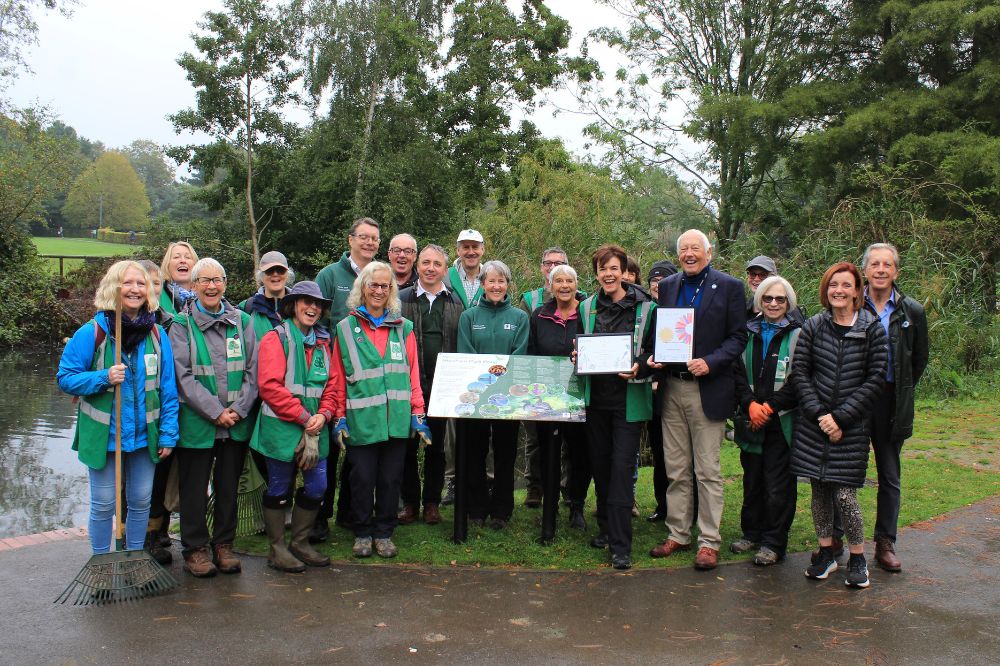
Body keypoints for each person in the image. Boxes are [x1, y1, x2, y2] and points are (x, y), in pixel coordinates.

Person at [57, 260, 179, 556]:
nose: (135, 289)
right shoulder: (93, 332)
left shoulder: (156, 335)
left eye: (141, 284)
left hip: (143, 437)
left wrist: (168, 433)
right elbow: (66, 378)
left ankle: (134, 557)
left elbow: (168, 389)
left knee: (140, 501)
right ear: (114, 287)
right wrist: (103, 377)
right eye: (128, 283)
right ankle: (101, 561)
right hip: (105, 437)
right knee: (103, 504)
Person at [648, 229, 747, 571]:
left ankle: (709, 541)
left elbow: (738, 338)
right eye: (684, 249)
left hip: (708, 387)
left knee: (707, 470)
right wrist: (655, 358)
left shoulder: (730, 287)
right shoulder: (670, 286)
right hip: (672, 387)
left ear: (709, 252)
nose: (689, 253)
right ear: (678, 255)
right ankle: (678, 532)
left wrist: (712, 361)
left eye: (695, 248)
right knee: (676, 468)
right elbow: (662, 332)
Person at [793, 262, 887, 589]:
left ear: (857, 291)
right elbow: (800, 373)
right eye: (834, 284)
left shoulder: (872, 328)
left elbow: (875, 379)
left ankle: (858, 557)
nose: (839, 291)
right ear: (826, 288)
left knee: (845, 495)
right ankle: (826, 553)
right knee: (819, 492)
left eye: (846, 285)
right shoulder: (814, 326)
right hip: (814, 424)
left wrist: (841, 418)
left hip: (850, 427)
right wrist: (821, 415)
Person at [331, 261, 429, 558]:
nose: (378, 290)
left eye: (385, 286)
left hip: (396, 421)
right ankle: (362, 532)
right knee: (361, 478)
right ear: (363, 288)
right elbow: (337, 377)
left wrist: (418, 414)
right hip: (361, 420)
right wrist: (338, 415)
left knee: (390, 479)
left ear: (391, 292)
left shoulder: (404, 328)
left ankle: (384, 533)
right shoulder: (345, 329)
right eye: (373, 284)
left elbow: (413, 374)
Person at [169, 258, 258, 578]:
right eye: (204, 281)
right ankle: (195, 548)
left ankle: (224, 544)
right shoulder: (181, 324)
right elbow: (183, 376)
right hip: (198, 423)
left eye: (217, 280)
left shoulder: (243, 321)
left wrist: (238, 409)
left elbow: (253, 372)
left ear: (225, 284)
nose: (211, 286)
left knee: (227, 486)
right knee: (193, 489)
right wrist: (215, 411)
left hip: (236, 422)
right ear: (193, 286)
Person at [577, 244, 655, 570]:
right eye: (602, 269)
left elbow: (654, 352)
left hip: (628, 401)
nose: (608, 274)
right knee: (602, 468)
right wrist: (576, 355)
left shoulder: (647, 308)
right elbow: (581, 342)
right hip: (596, 401)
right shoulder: (588, 307)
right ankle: (607, 530)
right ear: (596, 273)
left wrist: (641, 366)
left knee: (622, 469)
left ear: (624, 271)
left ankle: (621, 547)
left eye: (614, 268)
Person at [253, 281, 339, 572]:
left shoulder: (323, 341)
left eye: (317, 304)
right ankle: (277, 548)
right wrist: (305, 418)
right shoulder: (274, 339)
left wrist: (325, 414)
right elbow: (270, 387)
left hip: (316, 427)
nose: (312, 308)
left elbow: (333, 385)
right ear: (293, 305)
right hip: (281, 428)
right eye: (306, 302)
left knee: (318, 486)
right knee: (280, 487)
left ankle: (300, 542)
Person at [861, 243, 928, 572]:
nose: (881, 269)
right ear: (866, 270)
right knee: (845, 472)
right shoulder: (851, 304)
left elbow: (918, 360)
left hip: (891, 400)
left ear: (896, 272)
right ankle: (837, 540)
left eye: (887, 264)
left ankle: (885, 543)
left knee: (889, 474)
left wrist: (899, 389)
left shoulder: (911, 310)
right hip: (856, 399)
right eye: (875, 264)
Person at [313, 217, 381, 540]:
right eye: (364, 237)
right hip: (332, 369)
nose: (369, 243)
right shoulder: (330, 275)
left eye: (374, 239)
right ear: (350, 239)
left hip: (366, 376)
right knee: (329, 446)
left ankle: (350, 513)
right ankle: (319, 516)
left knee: (358, 447)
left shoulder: (380, 275)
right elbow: (312, 315)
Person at [731, 276, 802, 566]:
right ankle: (752, 532)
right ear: (759, 300)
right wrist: (750, 405)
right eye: (768, 298)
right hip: (751, 417)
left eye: (780, 299)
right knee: (753, 479)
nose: (773, 304)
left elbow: (799, 378)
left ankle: (774, 541)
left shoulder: (798, 334)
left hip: (780, 419)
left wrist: (768, 408)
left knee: (778, 484)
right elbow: (736, 372)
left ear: (789, 303)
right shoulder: (746, 332)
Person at [457, 260, 529, 531]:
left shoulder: (520, 318)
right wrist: (483, 387)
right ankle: (476, 507)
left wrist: (501, 387)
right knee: (474, 453)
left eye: (501, 281)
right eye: (491, 281)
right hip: (475, 397)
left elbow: (519, 356)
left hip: (507, 399)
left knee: (505, 453)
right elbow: (466, 355)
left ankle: (502, 509)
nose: (496, 286)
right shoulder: (469, 317)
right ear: (483, 285)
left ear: (508, 285)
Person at [398, 245, 464, 526]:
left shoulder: (455, 302)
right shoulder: (401, 299)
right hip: (409, 385)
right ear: (418, 265)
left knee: (436, 449)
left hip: (442, 388)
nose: (431, 268)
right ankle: (410, 503)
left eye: (437, 264)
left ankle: (432, 504)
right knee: (407, 448)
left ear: (444, 269)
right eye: (425, 262)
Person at [527, 264, 589, 542]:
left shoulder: (587, 313)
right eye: (558, 281)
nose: (564, 286)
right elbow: (531, 352)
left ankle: (576, 505)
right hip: (547, 397)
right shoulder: (539, 314)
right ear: (550, 286)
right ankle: (548, 506)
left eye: (570, 281)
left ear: (577, 284)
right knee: (547, 452)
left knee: (579, 453)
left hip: (579, 395)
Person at [519, 247, 571, 509]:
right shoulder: (530, 300)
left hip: (570, 382)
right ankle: (535, 487)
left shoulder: (582, 301)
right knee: (535, 438)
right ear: (542, 268)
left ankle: (566, 488)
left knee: (569, 441)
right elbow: (527, 340)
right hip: (538, 378)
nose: (553, 268)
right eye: (548, 264)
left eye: (559, 264)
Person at [136, 259, 176, 564]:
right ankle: (129, 540)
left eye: (157, 284)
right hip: (129, 421)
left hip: (161, 416)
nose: (151, 289)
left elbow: (170, 380)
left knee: (158, 481)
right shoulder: (112, 325)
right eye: (144, 283)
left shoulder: (168, 324)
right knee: (130, 487)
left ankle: (153, 536)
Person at [643, 260, 678, 524]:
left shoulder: (680, 310)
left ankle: (686, 509)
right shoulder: (649, 312)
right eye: (654, 281)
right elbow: (646, 350)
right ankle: (662, 506)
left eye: (663, 280)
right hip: (654, 393)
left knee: (681, 455)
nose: (657, 285)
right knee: (659, 452)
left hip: (677, 388)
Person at [241, 250, 295, 340]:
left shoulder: (299, 305)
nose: (275, 274)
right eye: (269, 271)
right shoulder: (247, 308)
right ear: (261, 276)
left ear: (287, 274)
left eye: (280, 270)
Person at [448, 229, 486, 309]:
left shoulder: (491, 278)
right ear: (458, 251)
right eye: (466, 247)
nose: (471, 252)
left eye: (475, 247)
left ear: (482, 250)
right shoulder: (446, 277)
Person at [159, 241, 199, 315]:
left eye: (188, 257)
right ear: (167, 265)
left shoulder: (206, 294)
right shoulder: (157, 294)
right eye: (176, 257)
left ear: (195, 265)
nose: (183, 261)